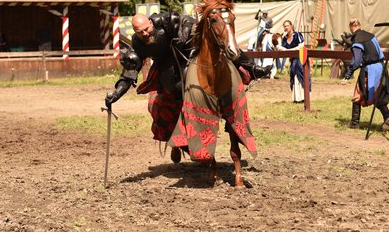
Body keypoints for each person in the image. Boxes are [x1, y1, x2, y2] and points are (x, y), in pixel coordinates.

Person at [104, 11, 269, 163]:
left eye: (146, 29)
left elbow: (188, 23)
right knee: (166, 103)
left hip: (189, 53)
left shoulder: (167, 20)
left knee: (220, 44)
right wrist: (117, 93)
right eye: (140, 32)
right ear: (135, 32)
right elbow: (129, 73)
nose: (145, 34)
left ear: (151, 23)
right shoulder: (138, 45)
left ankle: (251, 68)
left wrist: (185, 35)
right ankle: (179, 142)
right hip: (167, 69)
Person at [341, 18, 389, 130]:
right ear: (359, 25)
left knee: (358, 95)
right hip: (380, 68)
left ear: (351, 27)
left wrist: (347, 75)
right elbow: (377, 52)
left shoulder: (357, 40)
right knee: (378, 94)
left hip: (369, 70)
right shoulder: (371, 36)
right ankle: (387, 117)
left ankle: (355, 123)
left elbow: (357, 60)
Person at [277, 20, 309, 103]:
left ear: (291, 26)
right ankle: (296, 98)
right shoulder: (284, 38)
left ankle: (303, 97)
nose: (286, 27)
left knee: (300, 77)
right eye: (284, 26)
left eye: (287, 25)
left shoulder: (297, 35)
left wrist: (290, 50)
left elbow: (301, 46)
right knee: (293, 78)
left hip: (300, 59)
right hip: (292, 60)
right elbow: (282, 48)